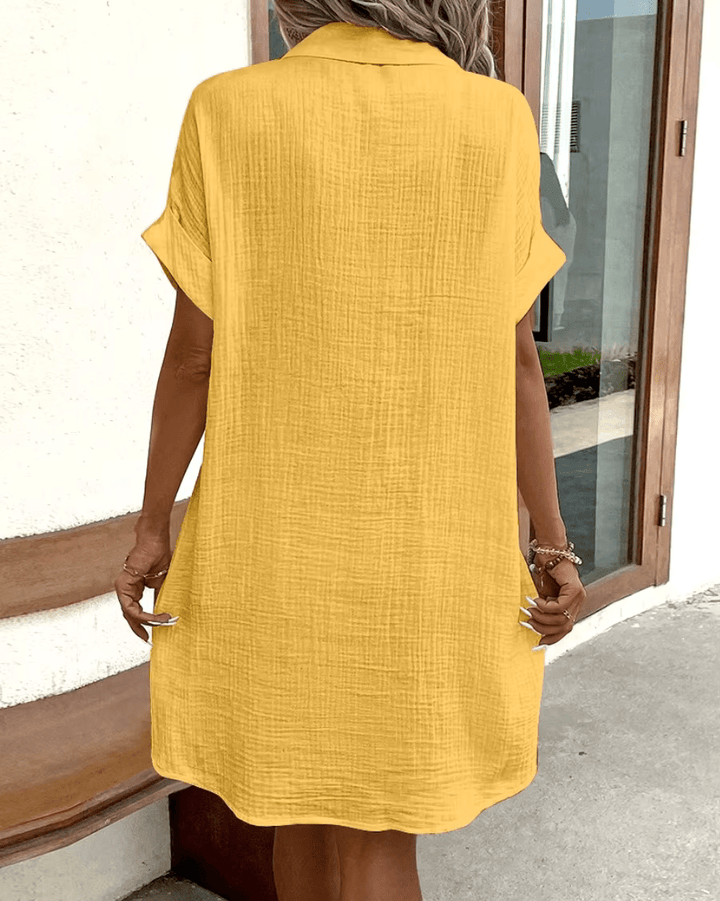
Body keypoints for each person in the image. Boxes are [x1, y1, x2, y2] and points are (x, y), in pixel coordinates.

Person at [114, 1, 587, 898]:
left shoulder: (226, 110)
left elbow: (193, 357)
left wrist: (149, 530)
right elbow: (517, 359)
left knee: (296, 803)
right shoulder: (494, 119)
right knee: (380, 834)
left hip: (276, 549)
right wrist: (551, 541)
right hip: (429, 552)